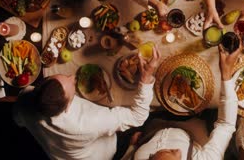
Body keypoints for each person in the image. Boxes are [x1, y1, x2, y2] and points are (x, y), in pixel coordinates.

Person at [13, 48, 161, 160]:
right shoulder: (90, 121)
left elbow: (18, 121)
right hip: (101, 153)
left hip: (56, 154)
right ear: (68, 107)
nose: (72, 77)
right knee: (148, 120)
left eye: (65, 76)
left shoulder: (25, 97)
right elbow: (138, 116)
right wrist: (146, 77)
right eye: (71, 85)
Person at [132, 45, 241, 160]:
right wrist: (226, 72)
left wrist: (132, 147)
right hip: (190, 128)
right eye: (177, 155)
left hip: (152, 126)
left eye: (153, 156)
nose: (178, 150)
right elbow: (226, 125)